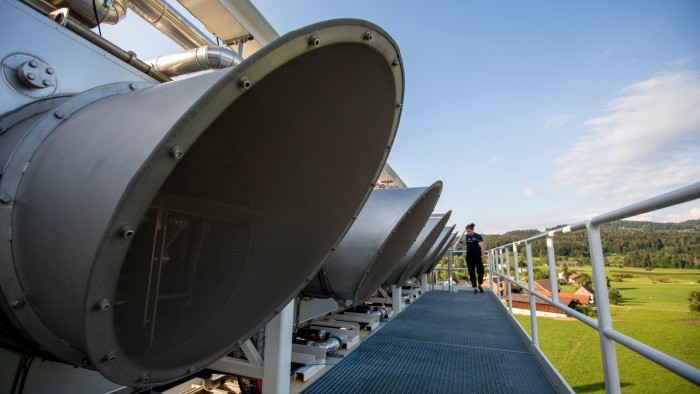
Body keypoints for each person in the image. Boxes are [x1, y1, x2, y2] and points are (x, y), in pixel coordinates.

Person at [463, 223, 486, 294]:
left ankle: (479, 284)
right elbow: (468, 243)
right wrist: (461, 242)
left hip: (477, 257)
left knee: (481, 271)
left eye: (469, 231)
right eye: (467, 231)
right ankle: (475, 287)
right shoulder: (467, 236)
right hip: (469, 257)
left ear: (472, 230)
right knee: (471, 272)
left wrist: (483, 256)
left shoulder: (478, 236)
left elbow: (482, 247)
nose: (468, 233)